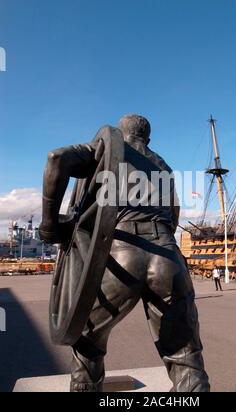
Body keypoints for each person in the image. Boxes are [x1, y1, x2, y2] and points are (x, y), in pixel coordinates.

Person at [40, 114, 210, 393]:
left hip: (123, 253)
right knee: (185, 355)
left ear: (119, 134)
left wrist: (49, 224)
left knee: (86, 339)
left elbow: (56, 158)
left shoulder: (106, 151)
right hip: (168, 255)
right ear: (148, 138)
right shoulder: (164, 167)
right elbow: (173, 217)